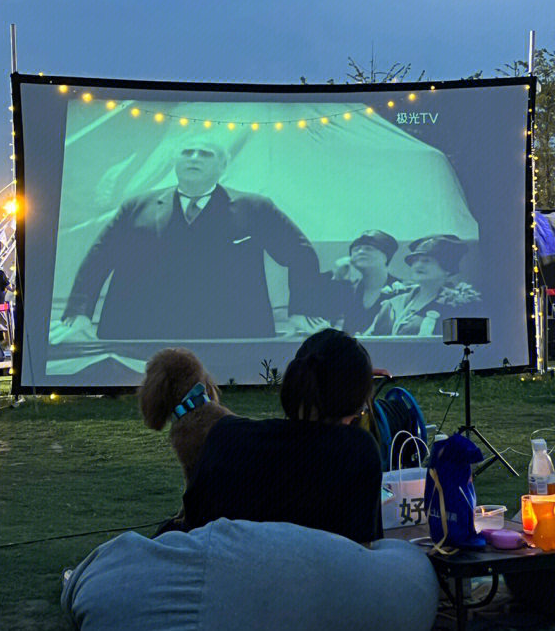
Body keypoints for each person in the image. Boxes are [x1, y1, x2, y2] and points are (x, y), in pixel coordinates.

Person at [59, 137, 324, 340]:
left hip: (228, 335)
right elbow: (99, 258)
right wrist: (79, 314)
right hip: (145, 333)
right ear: (176, 163)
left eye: (205, 154)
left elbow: (301, 253)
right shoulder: (137, 207)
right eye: (187, 152)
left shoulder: (254, 208)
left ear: (223, 165)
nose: (194, 158)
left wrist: (302, 312)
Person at [178, 329, 383, 543]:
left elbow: (193, 530)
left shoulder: (225, 436)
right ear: (352, 404)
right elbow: (363, 557)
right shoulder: (357, 453)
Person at [366, 234, 481, 336]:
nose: (418, 265)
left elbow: (466, 346)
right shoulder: (394, 302)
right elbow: (368, 338)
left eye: (426, 261)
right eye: (415, 260)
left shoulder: (460, 304)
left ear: (447, 268)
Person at [329, 230, 408, 335]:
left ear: (386, 256)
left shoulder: (403, 290)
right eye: (356, 249)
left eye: (369, 249)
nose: (361, 252)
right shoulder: (348, 290)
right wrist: (337, 278)